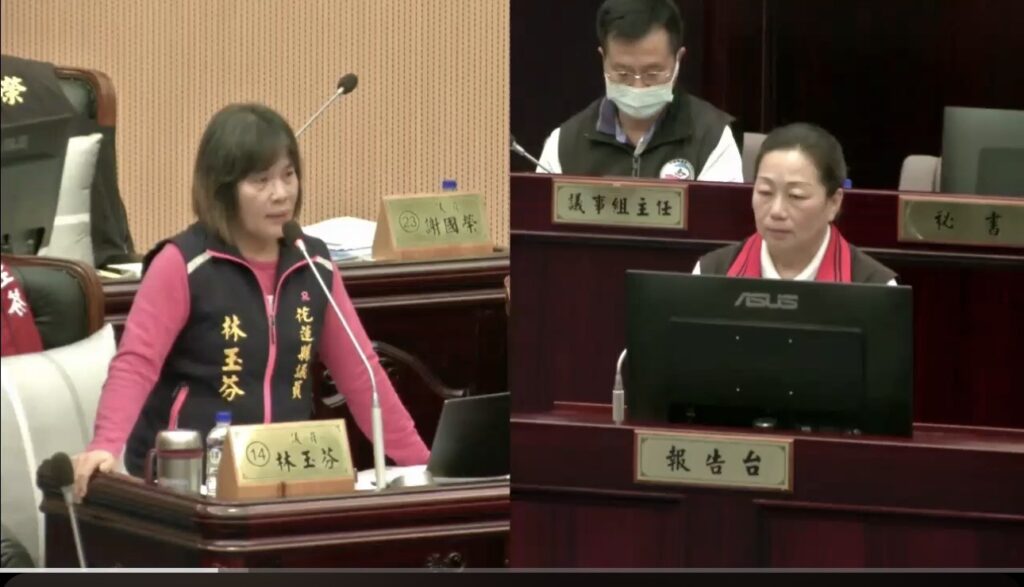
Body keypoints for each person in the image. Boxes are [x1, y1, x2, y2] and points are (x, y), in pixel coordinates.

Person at [71, 103, 430, 498]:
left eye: (288, 175)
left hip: (286, 473)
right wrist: (105, 444)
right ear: (223, 191)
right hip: (189, 481)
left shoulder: (313, 262)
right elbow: (136, 364)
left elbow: (362, 374)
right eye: (261, 181)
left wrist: (421, 467)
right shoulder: (184, 264)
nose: (281, 194)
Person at [536, 0, 742, 182]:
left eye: (652, 73)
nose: (638, 87)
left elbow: (718, 214)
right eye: (622, 73)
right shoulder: (564, 144)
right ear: (603, 60)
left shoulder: (712, 137)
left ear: (678, 60)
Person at [694, 122, 896, 284]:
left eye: (796, 196)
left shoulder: (874, 287)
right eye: (765, 192)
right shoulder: (710, 274)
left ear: (834, 203)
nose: (776, 211)